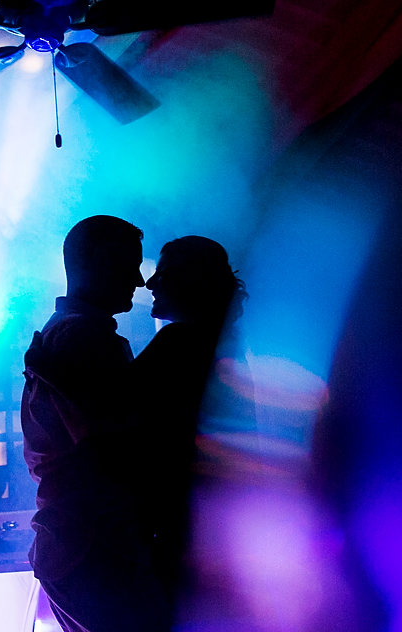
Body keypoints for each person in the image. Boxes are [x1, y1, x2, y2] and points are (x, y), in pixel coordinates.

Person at [21, 215, 171, 632]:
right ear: (96, 262)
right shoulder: (85, 339)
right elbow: (114, 449)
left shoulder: (68, 334)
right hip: (95, 547)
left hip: (76, 546)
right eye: (129, 265)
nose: (139, 282)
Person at [136, 236, 249, 613]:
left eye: (163, 273)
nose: (150, 284)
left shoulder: (180, 341)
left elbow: (108, 408)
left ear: (191, 281)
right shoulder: (223, 343)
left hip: (183, 532)